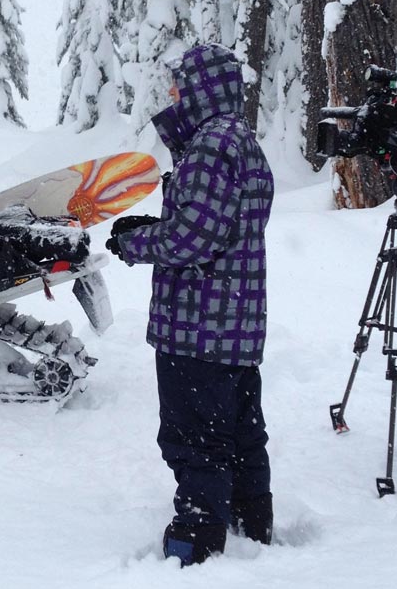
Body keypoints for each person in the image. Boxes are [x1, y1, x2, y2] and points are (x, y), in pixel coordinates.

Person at [106, 43, 275, 565]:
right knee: (241, 435)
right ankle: (252, 521)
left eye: (180, 84)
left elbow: (193, 238)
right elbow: (218, 228)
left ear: (202, 88)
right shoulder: (239, 141)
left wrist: (135, 242)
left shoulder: (210, 144)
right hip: (234, 324)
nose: (172, 93)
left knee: (194, 436)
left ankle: (196, 539)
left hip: (198, 325)